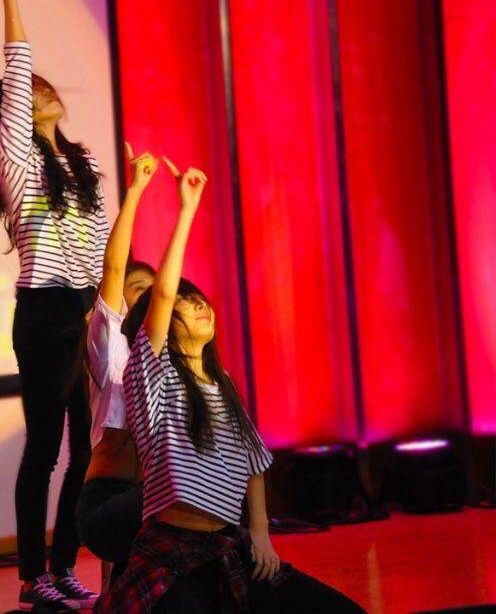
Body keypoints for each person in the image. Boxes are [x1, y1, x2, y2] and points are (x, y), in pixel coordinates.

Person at [100, 161, 363, 612]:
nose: (199, 305)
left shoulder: (223, 386)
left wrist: (260, 533)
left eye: (200, 299)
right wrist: (187, 210)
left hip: (227, 544)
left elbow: (255, 461)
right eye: (186, 303)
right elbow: (162, 294)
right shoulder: (151, 373)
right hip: (172, 551)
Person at [0, 0, 110, 610]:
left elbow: (102, 243)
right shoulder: (17, 163)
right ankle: (32, 577)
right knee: (46, 447)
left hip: (86, 308)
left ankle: (62, 564)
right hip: (47, 313)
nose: (42, 89)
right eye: (30, 93)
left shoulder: (83, 166)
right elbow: (18, 63)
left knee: (87, 448)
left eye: (48, 87)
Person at [74, 143, 159, 581]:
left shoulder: (172, 357)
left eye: (155, 289)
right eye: (138, 288)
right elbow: (112, 268)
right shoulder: (113, 349)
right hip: (115, 494)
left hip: (154, 486)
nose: (150, 294)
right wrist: (136, 192)